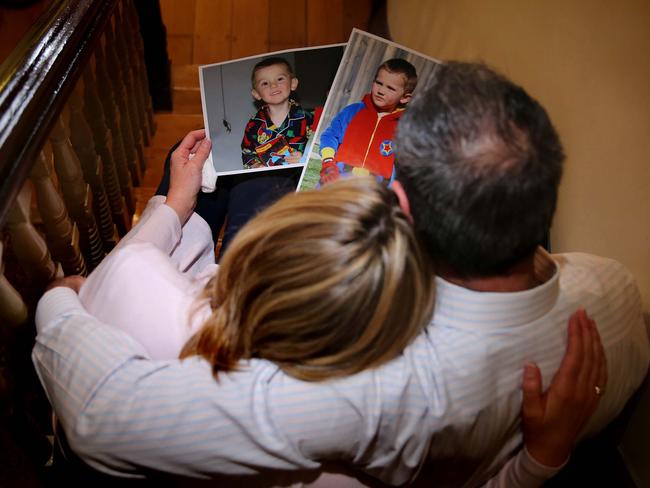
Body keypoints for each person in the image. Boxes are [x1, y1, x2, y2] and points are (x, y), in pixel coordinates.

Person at [32, 62, 649, 486]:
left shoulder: (373, 386)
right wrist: (544, 458)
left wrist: (58, 304)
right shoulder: (613, 284)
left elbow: (107, 418)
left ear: (398, 205)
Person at [79, 134, 434, 378]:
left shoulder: (137, 277)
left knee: (211, 160)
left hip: (169, 293)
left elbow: (83, 288)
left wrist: (176, 203)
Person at [319, 58, 417, 186]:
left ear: (405, 98)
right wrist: (328, 162)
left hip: (374, 189)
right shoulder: (352, 111)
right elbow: (330, 136)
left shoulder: (405, 128)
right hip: (338, 178)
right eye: (379, 83)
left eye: (390, 88)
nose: (381, 91)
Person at [241, 57, 313, 168]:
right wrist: (256, 166)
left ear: (293, 83)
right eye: (265, 83)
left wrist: (304, 156)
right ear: (256, 94)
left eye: (279, 79)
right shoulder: (253, 125)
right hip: (270, 180)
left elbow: (320, 148)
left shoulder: (309, 118)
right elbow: (247, 154)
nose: (273, 85)